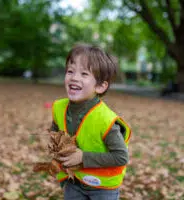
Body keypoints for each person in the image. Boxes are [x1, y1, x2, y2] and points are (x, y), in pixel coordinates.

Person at [50, 44, 131, 200]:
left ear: (100, 86)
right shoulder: (59, 108)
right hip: (73, 181)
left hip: (102, 187)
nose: (74, 77)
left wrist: (83, 158)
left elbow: (121, 157)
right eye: (70, 71)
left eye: (84, 73)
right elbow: (56, 133)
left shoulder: (105, 119)